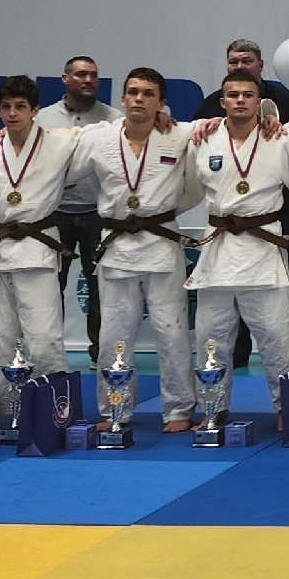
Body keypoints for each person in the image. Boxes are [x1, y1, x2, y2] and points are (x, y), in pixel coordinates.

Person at [76, 68, 201, 431]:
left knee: (171, 331)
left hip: (161, 241)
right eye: (132, 92)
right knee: (113, 335)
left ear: (162, 103)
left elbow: (222, 129)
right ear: (122, 98)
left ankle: (178, 408)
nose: (139, 99)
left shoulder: (180, 134)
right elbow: (53, 147)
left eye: (148, 94)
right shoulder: (98, 137)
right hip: (117, 245)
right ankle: (114, 409)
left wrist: (167, 210)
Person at [0, 73, 85, 417]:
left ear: (35, 110)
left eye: (20, 106)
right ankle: (7, 412)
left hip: (36, 252)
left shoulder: (61, 142)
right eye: (6, 107)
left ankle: (57, 413)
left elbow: (111, 134)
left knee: (44, 339)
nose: (12, 113)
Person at [179, 73, 289, 409]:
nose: (240, 100)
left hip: (263, 248)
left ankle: (286, 408)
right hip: (219, 251)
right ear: (222, 101)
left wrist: (274, 118)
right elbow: (161, 132)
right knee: (211, 337)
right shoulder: (203, 137)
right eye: (233, 95)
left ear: (258, 101)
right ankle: (213, 408)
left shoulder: (281, 138)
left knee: (276, 337)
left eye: (248, 95)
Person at [36, 55, 117, 348]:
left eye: (93, 75)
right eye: (81, 74)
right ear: (65, 79)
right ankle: (49, 351)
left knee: (100, 286)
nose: (88, 80)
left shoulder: (114, 119)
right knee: (49, 285)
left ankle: (101, 353)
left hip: (98, 213)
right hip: (54, 213)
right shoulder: (42, 119)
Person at [195, 39, 289, 125]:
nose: (239, 67)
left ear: (261, 65)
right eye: (233, 62)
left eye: (246, 61)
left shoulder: (284, 100)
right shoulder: (212, 103)